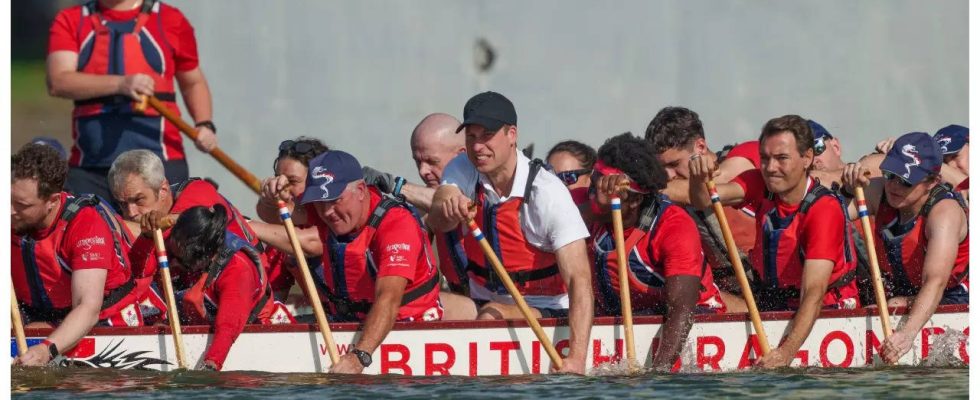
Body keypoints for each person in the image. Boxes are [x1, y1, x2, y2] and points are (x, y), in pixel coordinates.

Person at [429, 91, 593, 374]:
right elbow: (442, 208)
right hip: (483, 300)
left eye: (487, 135)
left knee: (491, 315)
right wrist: (448, 204)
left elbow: (579, 280)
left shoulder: (547, 193)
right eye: (471, 136)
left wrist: (576, 359)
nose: (478, 146)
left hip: (548, 309)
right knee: (427, 308)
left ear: (512, 135)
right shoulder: (463, 166)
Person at [688, 114, 860, 368]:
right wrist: (696, 177)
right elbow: (704, 200)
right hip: (773, 300)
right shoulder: (760, 183)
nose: (770, 168)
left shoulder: (823, 208)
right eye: (765, 158)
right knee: (701, 299)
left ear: (807, 158)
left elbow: (814, 292)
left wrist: (786, 353)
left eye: (781, 158)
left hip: (827, 308)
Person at [259, 150, 443, 374]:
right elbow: (270, 215)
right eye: (320, 203)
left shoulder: (397, 225)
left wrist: (359, 357)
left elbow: (388, 299)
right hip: (349, 320)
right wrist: (269, 197)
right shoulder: (328, 208)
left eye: (336, 200)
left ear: (361, 191)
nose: (328, 212)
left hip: (406, 323)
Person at [47, 0, 217, 202]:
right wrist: (121, 84)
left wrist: (204, 123)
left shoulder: (171, 19)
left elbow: (193, 83)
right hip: (91, 168)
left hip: (160, 164)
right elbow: (58, 81)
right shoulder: (71, 19)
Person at [588, 133, 726, 371]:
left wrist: (659, 375)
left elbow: (682, 307)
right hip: (635, 315)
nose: (590, 191)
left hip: (693, 317)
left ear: (631, 200)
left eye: (601, 183)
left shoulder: (673, 225)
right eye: (594, 180)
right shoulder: (594, 213)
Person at [841, 132, 968, 364]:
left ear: (932, 182)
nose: (894, 186)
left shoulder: (944, 213)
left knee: (894, 304)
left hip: (954, 295)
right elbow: (828, 215)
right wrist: (847, 188)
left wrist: (907, 334)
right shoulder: (878, 191)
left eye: (906, 181)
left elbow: (935, 281)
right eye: (890, 174)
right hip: (901, 289)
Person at [12, 144, 143, 366]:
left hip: (102, 322)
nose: (9, 210)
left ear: (52, 201)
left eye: (21, 205)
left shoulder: (85, 224)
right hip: (41, 317)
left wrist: (46, 350)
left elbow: (88, 307)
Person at [644, 106, 759, 298]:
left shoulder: (744, 156)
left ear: (700, 147)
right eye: (661, 167)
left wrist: (644, 187)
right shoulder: (672, 191)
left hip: (771, 289)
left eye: (674, 164)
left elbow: (703, 193)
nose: (668, 175)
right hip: (732, 295)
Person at [166, 205, 294, 371]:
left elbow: (228, 325)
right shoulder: (200, 253)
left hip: (265, 331)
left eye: (179, 259)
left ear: (200, 253)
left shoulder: (237, 270)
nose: (173, 263)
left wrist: (211, 365)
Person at [408, 113, 478, 320]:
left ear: (462, 155)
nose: (423, 171)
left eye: (431, 161)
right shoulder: (422, 212)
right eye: (417, 161)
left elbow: (447, 202)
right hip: (464, 304)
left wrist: (396, 186)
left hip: (503, 308)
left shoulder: (487, 192)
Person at [546, 140, 596, 205]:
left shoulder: (610, 211)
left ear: (592, 177)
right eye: (550, 178)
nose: (557, 185)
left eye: (567, 177)